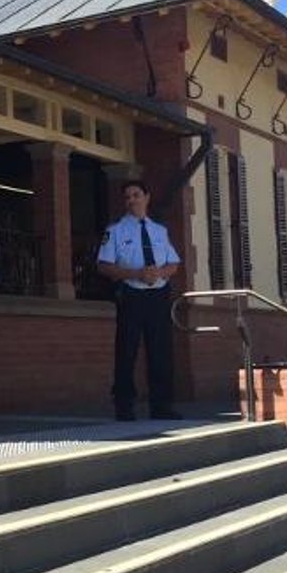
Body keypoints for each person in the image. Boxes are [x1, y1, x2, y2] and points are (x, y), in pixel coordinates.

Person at [97, 180, 182, 421]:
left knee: (161, 350)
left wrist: (159, 273)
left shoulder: (159, 231)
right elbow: (103, 265)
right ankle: (124, 405)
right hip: (131, 294)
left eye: (136, 195)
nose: (132, 200)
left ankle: (162, 405)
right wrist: (136, 274)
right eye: (127, 197)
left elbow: (173, 263)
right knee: (126, 350)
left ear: (147, 197)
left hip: (158, 295)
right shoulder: (115, 231)